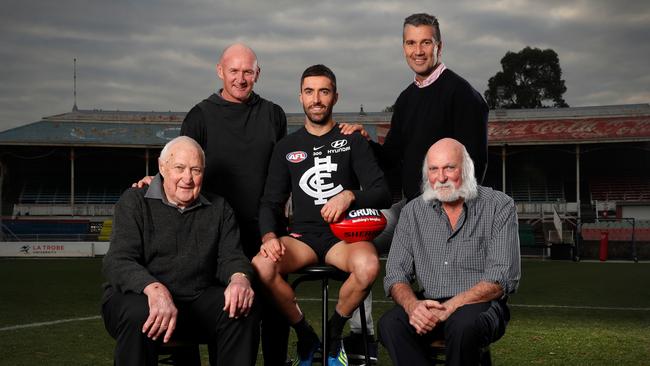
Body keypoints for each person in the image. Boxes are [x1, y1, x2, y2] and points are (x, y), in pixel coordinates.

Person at [338, 12, 490, 358]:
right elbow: (392, 158)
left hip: (449, 212)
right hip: (408, 208)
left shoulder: (463, 95)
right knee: (357, 238)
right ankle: (362, 336)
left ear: (439, 45)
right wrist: (366, 141)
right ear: (403, 47)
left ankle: (448, 321)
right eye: (410, 42)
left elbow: (476, 166)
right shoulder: (407, 99)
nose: (417, 50)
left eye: (425, 42)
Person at [135, 43, 290, 364]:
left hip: (265, 232)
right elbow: (182, 162)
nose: (241, 78)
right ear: (220, 71)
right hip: (213, 235)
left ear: (258, 74)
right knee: (225, 311)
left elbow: (282, 173)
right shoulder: (200, 116)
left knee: (274, 313)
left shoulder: (273, 114)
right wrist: (156, 178)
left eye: (248, 71)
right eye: (234, 71)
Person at [252, 64, 391, 366]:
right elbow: (269, 202)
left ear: (335, 97)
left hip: (343, 237)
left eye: (324, 92)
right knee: (261, 267)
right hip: (301, 238)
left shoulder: (351, 139)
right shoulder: (286, 147)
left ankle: (334, 332)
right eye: (310, 92)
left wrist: (349, 195)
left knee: (368, 266)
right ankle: (305, 335)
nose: (317, 99)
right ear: (300, 97)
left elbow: (383, 191)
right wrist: (269, 236)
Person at [102, 136, 260, 366]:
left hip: (195, 299)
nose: (187, 178)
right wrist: (154, 290)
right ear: (162, 167)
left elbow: (231, 257)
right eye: (179, 168)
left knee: (243, 307)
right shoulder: (134, 201)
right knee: (140, 313)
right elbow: (118, 260)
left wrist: (239, 279)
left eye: (196, 170)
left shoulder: (219, 208)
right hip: (138, 298)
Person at [378, 138, 520, 366]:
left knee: (464, 326)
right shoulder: (412, 211)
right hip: (429, 302)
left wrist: (450, 307)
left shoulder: (498, 205)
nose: (441, 178)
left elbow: (501, 279)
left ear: (467, 169)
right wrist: (413, 306)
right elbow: (396, 274)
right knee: (390, 324)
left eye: (449, 168)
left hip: (478, 305)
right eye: (433, 169)